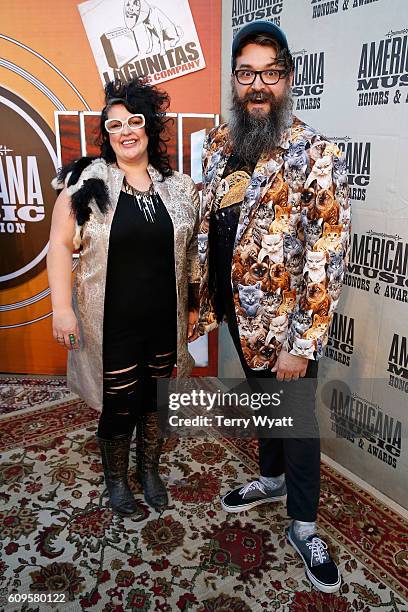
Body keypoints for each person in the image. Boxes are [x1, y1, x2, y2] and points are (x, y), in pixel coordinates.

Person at [198, 21, 350, 593]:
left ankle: (304, 524)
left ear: (287, 77)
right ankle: (269, 479)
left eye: (268, 73)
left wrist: (300, 343)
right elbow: (210, 227)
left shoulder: (313, 152)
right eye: (245, 74)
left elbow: (326, 253)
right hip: (240, 311)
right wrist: (204, 303)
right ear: (234, 80)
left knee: (298, 420)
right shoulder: (218, 143)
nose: (256, 85)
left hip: (290, 326)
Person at [47, 77, 200, 516]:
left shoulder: (180, 189)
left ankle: (148, 470)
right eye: (114, 126)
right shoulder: (86, 185)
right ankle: (117, 482)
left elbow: (190, 255)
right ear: (106, 135)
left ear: (149, 127)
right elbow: (59, 246)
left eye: (134, 121)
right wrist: (61, 308)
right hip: (111, 323)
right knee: (119, 404)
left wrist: (191, 307)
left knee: (154, 401)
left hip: (162, 323)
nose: (125, 131)